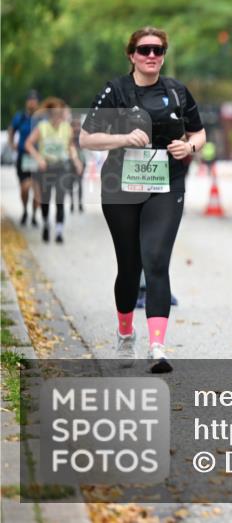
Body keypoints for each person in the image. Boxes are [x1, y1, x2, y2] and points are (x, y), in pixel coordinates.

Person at [80, 27, 205, 373]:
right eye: (145, 50)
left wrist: (189, 146)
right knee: (130, 265)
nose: (152, 56)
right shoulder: (116, 90)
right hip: (120, 185)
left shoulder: (177, 91)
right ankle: (124, 334)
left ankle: (157, 347)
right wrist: (121, 138)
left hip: (166, 184)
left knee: (155, 260)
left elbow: (199, 131)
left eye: (159, 50)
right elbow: (86, 138)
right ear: (132, 55)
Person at [24, 98, 83, 244]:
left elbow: (70, 147)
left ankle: (58, 231)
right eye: (54, 113)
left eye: (59, 112)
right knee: (45, 199)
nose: (57, 115)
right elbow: (28, 144)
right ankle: (45, 224)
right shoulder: (42, 127)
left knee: (60, 199)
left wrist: (76, 161)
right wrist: (39, 159)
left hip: (62, 167)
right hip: (46, 168)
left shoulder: (66, 128)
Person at [8, 90, 40, 226]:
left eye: (34, 100)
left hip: (37, 157)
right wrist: (12, 144)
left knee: (37, 190)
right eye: (30, 100)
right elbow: (11, 130)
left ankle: (33, 215)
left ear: (37, 102)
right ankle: (25, 210)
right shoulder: (20, 117)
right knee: (25, 188)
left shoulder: (42, 118)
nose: (32, 103)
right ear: (27, 102)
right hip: (23, 157)